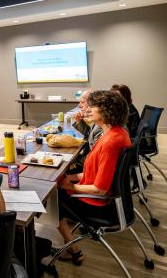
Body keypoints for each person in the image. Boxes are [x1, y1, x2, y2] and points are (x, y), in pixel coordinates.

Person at [56, 91, 131, 265]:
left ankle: (73, 250)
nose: (89, 109)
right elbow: (95, 172)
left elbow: (100, 189)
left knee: (52, 199)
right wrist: (72, 176)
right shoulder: (116, 133)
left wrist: (69, 186)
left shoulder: (110, 142)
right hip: (106, 199)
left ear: (106, 111)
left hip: (99, 204)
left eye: (93, 106)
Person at [70, 90, 103, 173]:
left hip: (88, 168)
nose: (79, 106)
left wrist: (73, 162)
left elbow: (94, 160)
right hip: (89, 165)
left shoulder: (104, 130)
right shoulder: (99, 123)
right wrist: (79, 121)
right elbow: (90, 134)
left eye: (82, 102)